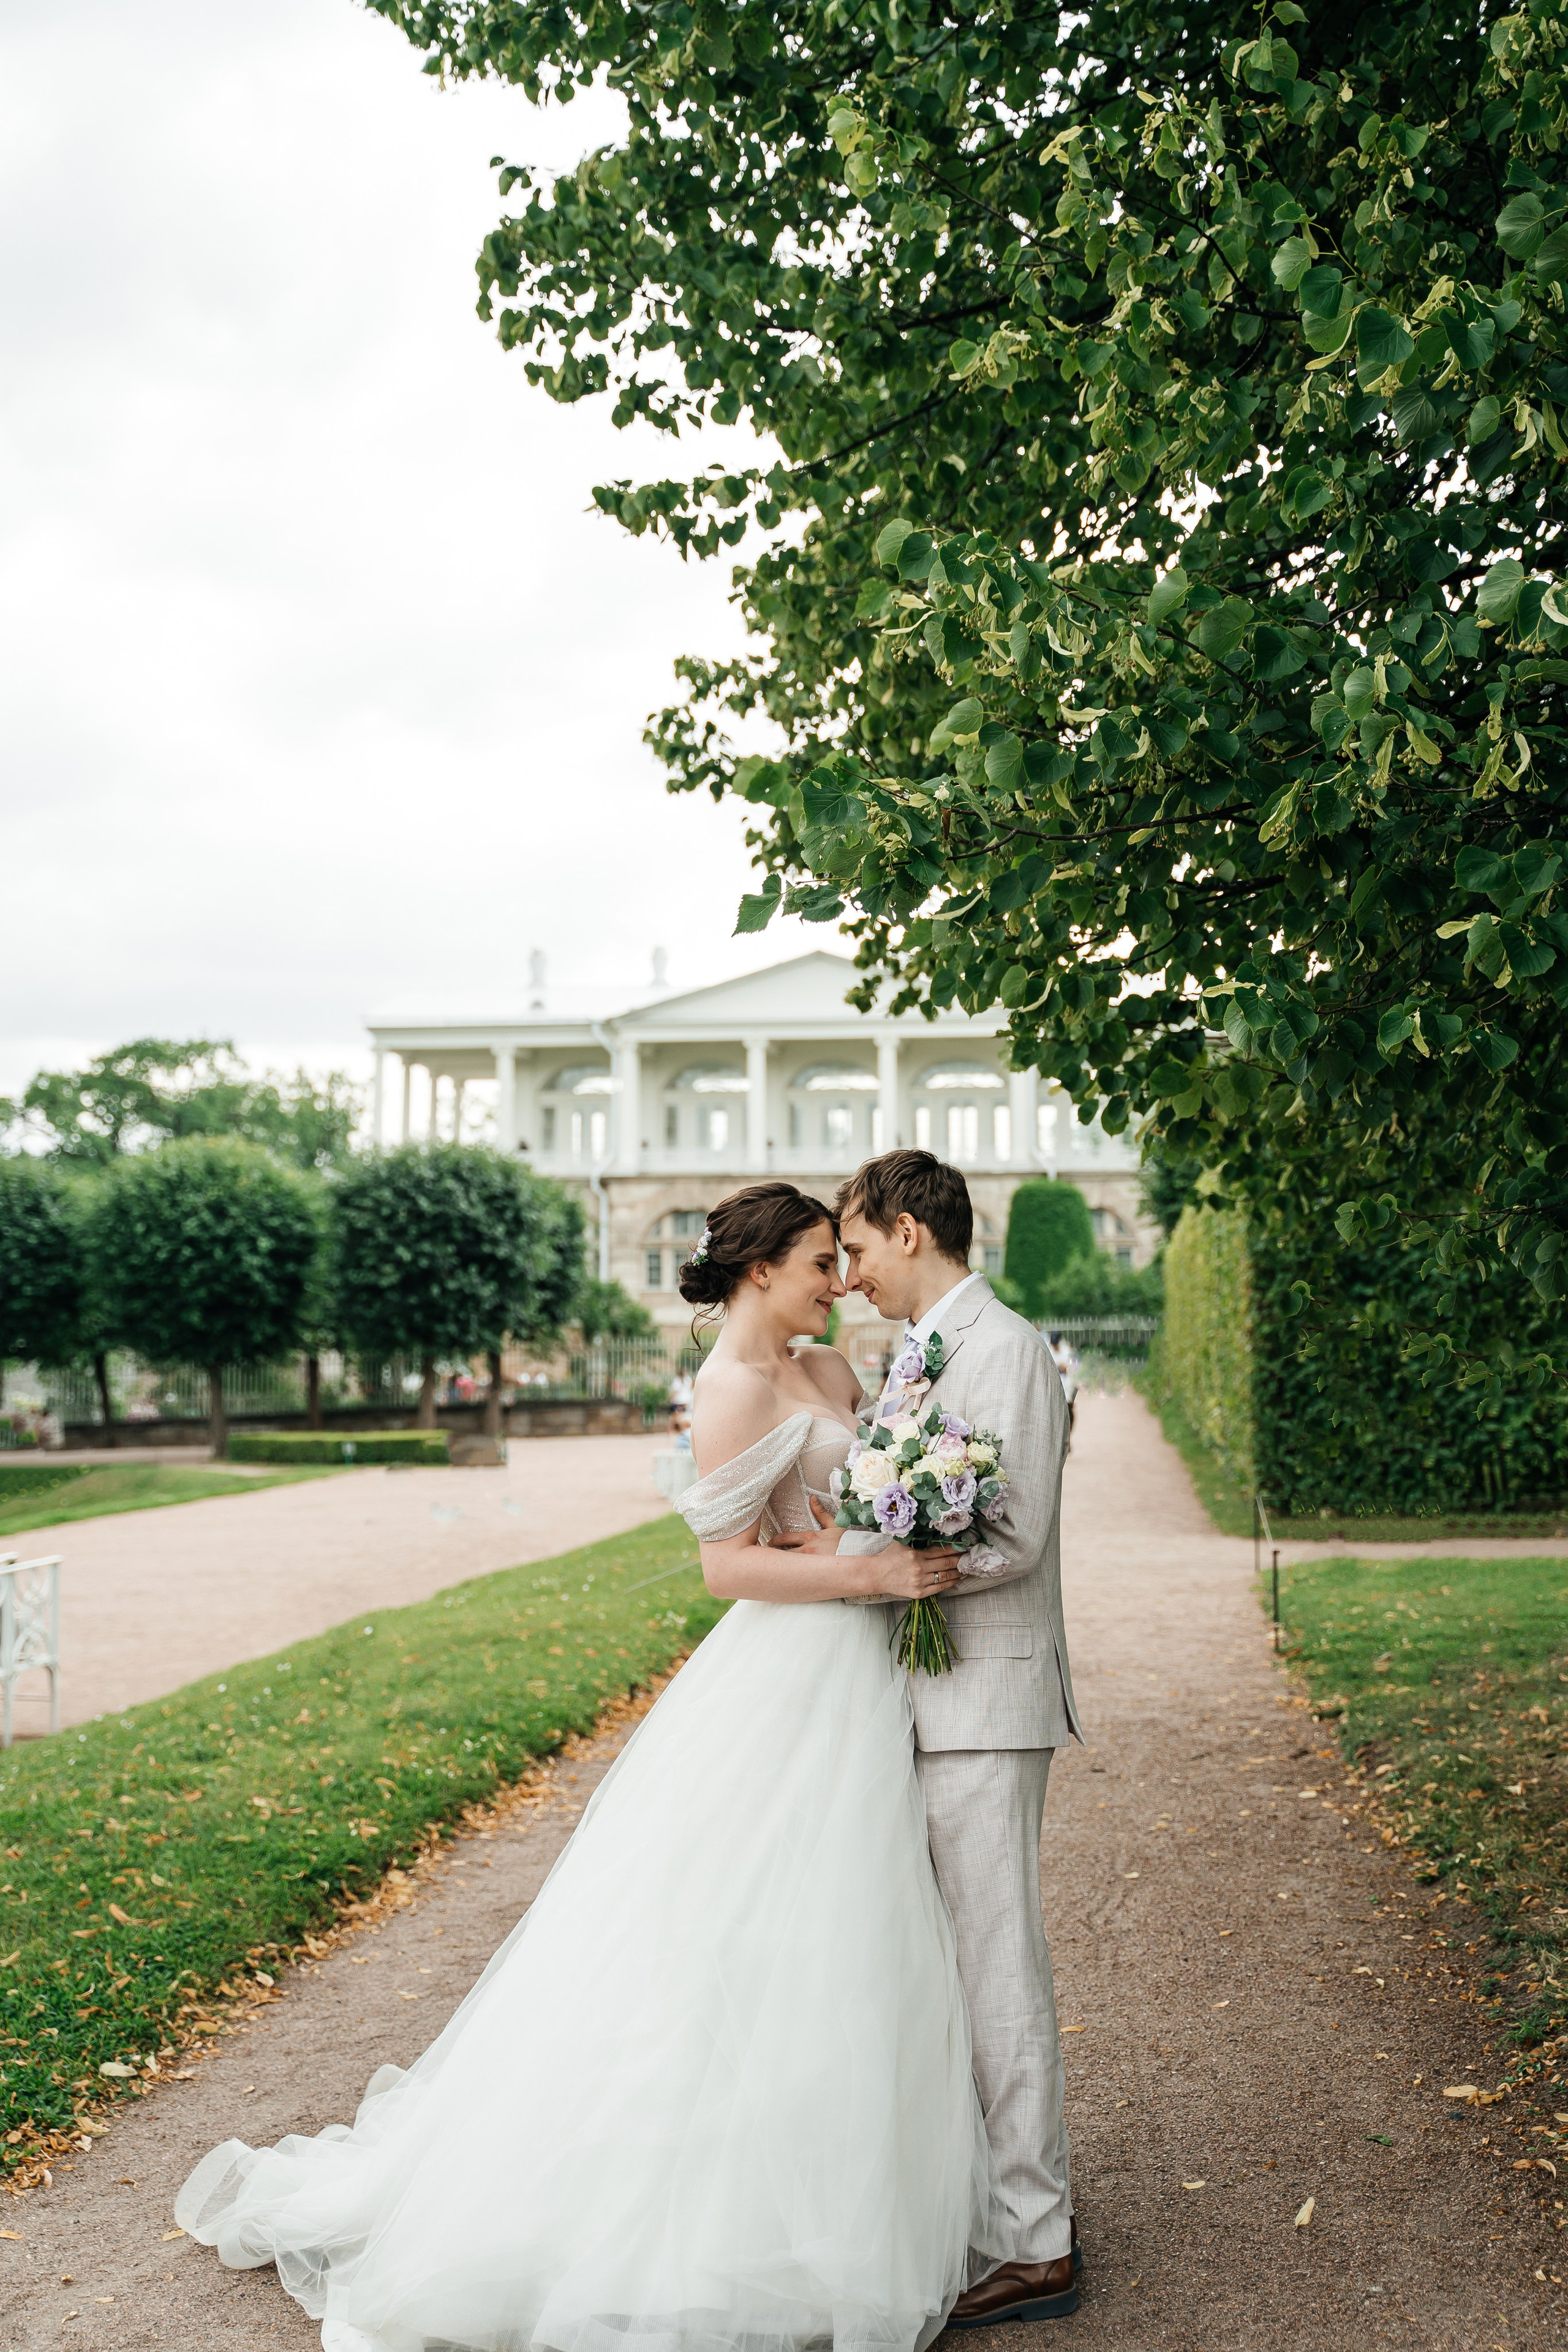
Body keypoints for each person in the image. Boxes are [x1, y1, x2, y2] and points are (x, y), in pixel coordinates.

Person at [174, 1180, 1011, 2352]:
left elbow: (837, 1503)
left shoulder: (832, 1374)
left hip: (861, 1667)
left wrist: (875, 1535)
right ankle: (696, 2207)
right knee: (732, 1926)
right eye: (823, 1263)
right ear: (761, 1270)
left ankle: (848, 2179)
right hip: (789, 1669)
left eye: (843, 1259)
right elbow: (727, 1567)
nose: (841, 1282)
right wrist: (868, 1575)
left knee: (858, 1917)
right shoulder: (726, 1391)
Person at [779, 1151, 1082, 2325]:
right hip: (926, 1695)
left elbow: (1015, 1535)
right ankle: (986, 2203)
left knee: (998, 1970)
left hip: (987, 1704)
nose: (847, 1275)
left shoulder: (1001, 1347)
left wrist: (878, 1567)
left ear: (910, 1233)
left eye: (855, 1250)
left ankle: (1037, 2240)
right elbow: (899, 1492)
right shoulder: (921, 1350)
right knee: (944, 1970)